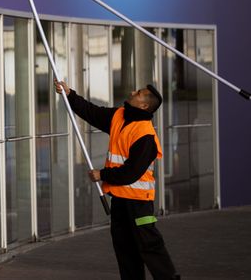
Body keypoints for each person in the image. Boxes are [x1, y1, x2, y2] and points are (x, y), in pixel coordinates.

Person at [54, 79, 179, 280]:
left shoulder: (146, 136)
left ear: (144, 105)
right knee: (125, 251)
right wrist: (70, 95)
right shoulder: (119, 116)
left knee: (150, 247)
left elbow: (131, 173)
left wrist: (102, 175)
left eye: (138, 92)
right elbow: (91, 112)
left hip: (139, 203)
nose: (132, 91)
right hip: (120, 200)